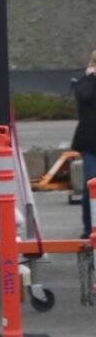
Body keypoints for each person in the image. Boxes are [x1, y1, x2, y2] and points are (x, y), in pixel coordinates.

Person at [71, 49, 96, 239]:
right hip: (91, 142)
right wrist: (90, 77)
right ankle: (89, 228)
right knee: (91, 185)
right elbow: (84, 96)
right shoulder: (85, 83)